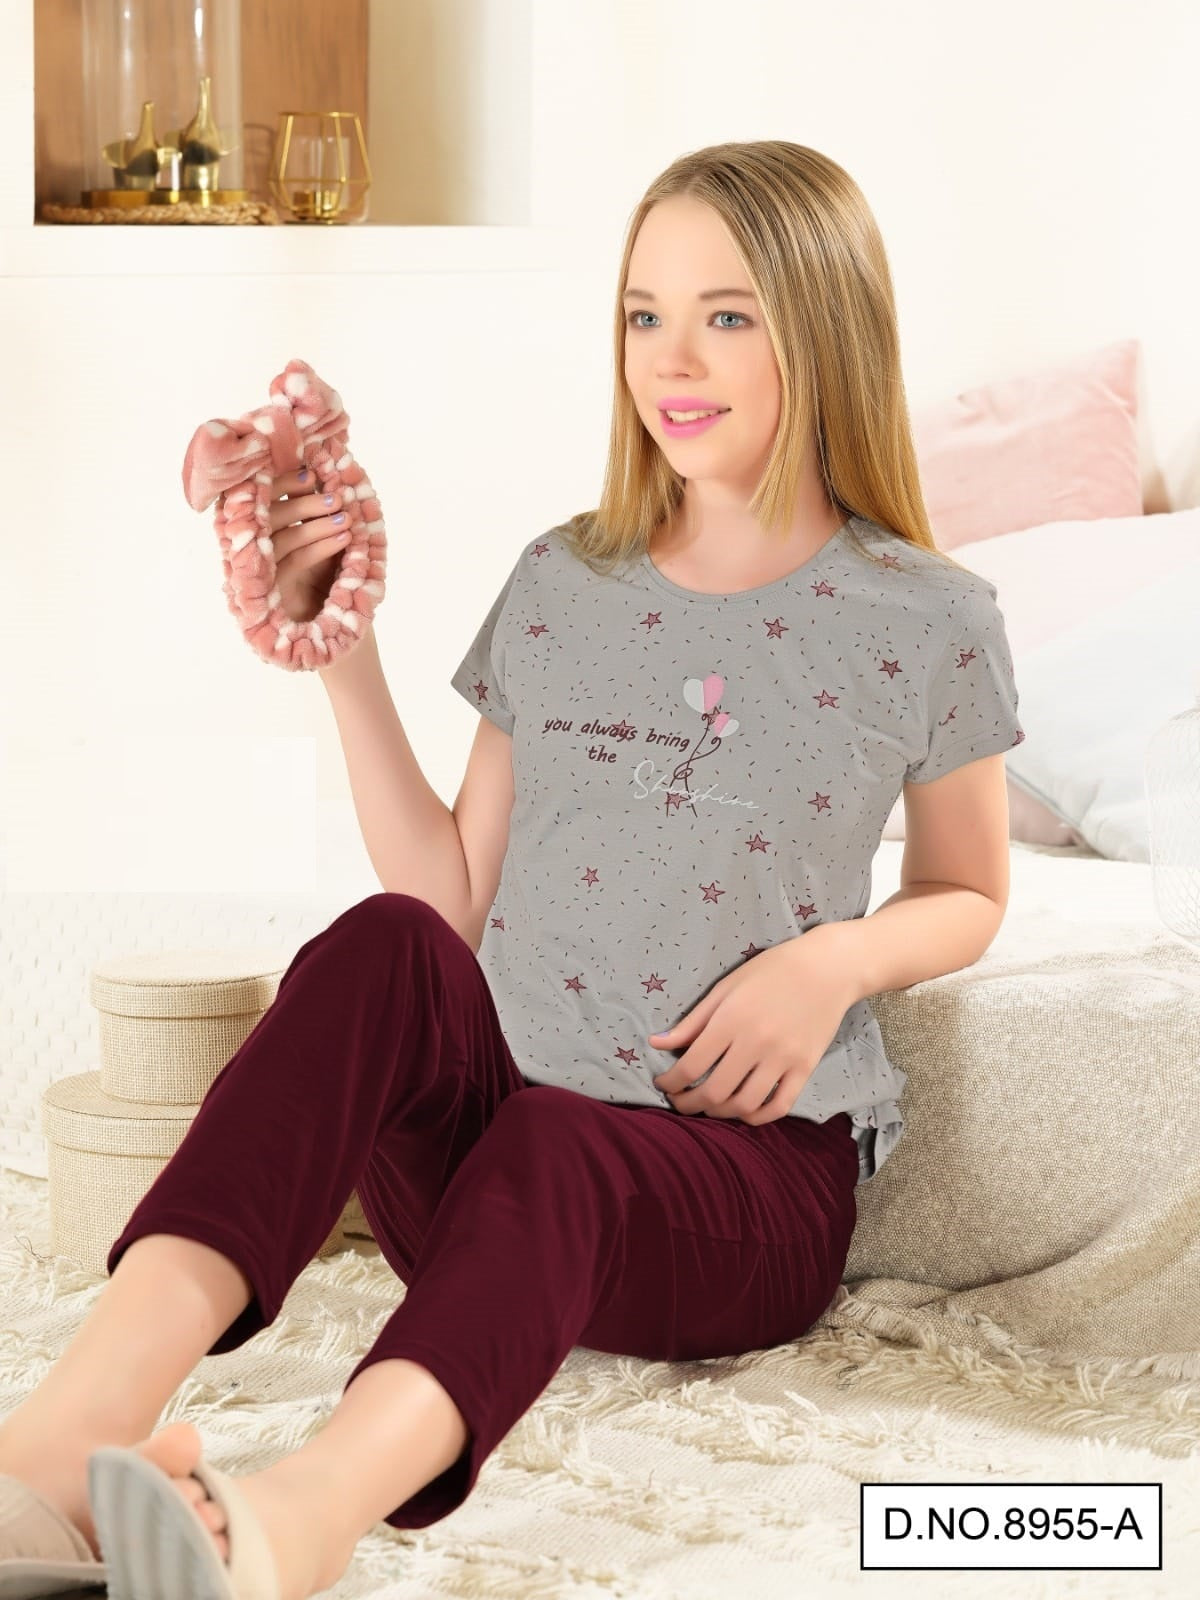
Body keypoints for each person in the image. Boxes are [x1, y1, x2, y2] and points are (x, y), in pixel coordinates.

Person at [0, 141, 1022, 1599]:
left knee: (561, 1147)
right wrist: (344, 663)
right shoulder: (564, 580)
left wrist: (830, 963)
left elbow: (970, 889)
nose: (671, 357)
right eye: (641, 312)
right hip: (491, 1159)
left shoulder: (930, 615)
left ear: (825, 323)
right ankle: (69, 1435)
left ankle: (300, 1517)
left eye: (728, 315)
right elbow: (445, 896)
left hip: (742, 1184)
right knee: (376, 947)